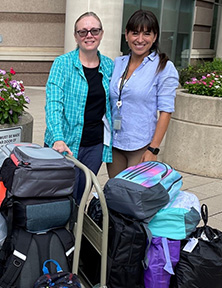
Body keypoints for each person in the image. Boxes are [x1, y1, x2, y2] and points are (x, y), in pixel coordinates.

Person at [44, 11, 114, 203]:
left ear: (101, 33)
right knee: (57, 195)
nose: (89, 35)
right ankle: (59, 232)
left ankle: (76, 230)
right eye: (82, 32)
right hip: (64, 143)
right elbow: (53, 103)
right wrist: (57, 138)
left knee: (81, 195)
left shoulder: (109, 66)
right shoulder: (62, 64)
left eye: (94, 30)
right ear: (76, 36)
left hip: (95, 145)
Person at [107, 9, 179, 178]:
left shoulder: (164, 67)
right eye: (135, 33)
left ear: (154, 37)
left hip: (140, 146)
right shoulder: (118, 63)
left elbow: (166, 112)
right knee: (116, 194)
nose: (140, 39)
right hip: (115, 143)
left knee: (134, 198)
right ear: (126, 35)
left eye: (147, 33)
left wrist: (153, 149)